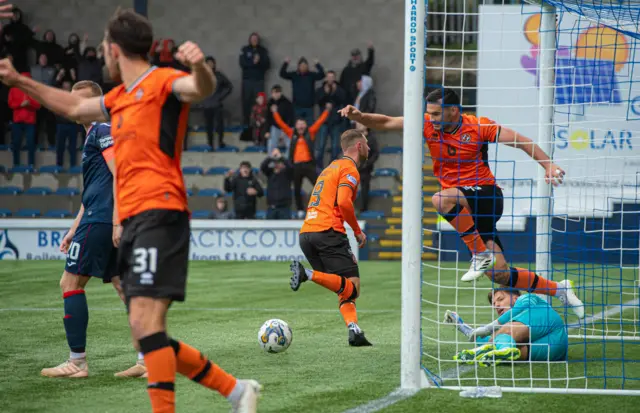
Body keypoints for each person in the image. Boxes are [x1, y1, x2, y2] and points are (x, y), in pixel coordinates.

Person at [0, 8, 261, 413]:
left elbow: (200, 88)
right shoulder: (117, 98)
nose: (102, 52)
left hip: (162, 211)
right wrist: (18, 80)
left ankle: (216, 395)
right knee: (146, 330)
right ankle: (235, 390)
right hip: (138, 219)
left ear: (114, 48)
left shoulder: (163, 80)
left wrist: (199, 67)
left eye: (104, 45)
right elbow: (71, 108)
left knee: (145, 326)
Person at [338, 88, 585, 318]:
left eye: (437, 113)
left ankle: (479, 254)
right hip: (467, 209)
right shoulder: (427, 124)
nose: (431, 118)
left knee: (440, 199)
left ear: (453, 110)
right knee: (498, 272)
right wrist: (360, 115)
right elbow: (386, 122)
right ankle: (559, 289)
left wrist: (548, 164)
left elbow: (520, 140)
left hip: (487, 195)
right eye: (429, 113)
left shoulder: (478, 126)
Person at [39, 80, 145, 379]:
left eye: (79, 99)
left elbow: (119, 174)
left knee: (69, 284)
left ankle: (77, 362)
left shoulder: (101, 130)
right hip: (99, 217)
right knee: (125, 288)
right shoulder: (95, 136)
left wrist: (116, 219)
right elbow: (94, 189)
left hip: (103, 220)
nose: (73, 105)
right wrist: (74, 227)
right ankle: (146, 361)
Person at [289, 129, 372, 346]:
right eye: (367, 143)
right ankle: (305, 273)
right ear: (359, 146)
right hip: (328, 231)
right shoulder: (349, 168)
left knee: (344, 287)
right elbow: (344, 202)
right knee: (353, 287)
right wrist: (357, 231)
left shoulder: (329, 168)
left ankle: (354, 330)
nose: (369, 148)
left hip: (308, 232)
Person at [446, 288, 568, 365]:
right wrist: (461, 325)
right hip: (552, 351)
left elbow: (521, 306)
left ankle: (499, 349)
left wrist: (489, 328)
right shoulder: (505, 327)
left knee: (501, 333)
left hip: (551, 325)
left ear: (515, 297)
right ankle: (503, 351)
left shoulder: (524, 298)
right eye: (494, 304)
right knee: (499, 341)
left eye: (500, 299)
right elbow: (483, 337)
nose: (496, 305)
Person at [271, 103, 330, 217]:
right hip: (296, 166)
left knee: (319, 185)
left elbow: (319, 122)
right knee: (297, 189)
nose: (301, 126)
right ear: (296, 126)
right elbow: (281, 124)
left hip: (308, 165)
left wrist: (326, 111)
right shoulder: (291, 133)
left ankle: (322, 206)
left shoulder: (311, 132)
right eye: (299, 124)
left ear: (306, 125)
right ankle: (300, 209)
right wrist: (275, 112)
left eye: (303, 124)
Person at [197, 56, 232, 149]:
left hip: (216, 104)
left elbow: (229, 86)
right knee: (208, 126)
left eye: (211, 63)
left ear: (214, 64)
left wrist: (220, 96)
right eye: (207, 63)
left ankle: (220, 142)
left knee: (219, 125)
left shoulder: (219, 75)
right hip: (206, 104)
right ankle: (210, 144)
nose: (209, 65)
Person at [315, 70, 348, 169]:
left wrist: (335, 91)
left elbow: (343, 99)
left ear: (334, 78)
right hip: (324, 121)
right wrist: (325, 93)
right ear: (326, 78)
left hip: (335, 122)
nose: (330, 79)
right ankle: (319, 166)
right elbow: (317, 100)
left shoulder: (339, 89)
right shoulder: (321, 89)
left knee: (335, 146)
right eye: (328, 77)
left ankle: (332, 166)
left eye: (332, 77)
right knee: (321, 146)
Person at [279, 57, 325, 125]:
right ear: (298, 66)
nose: (303, 67)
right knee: (298, 126)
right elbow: (282, 74)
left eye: (305, 66)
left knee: (310, 127)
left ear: (307, 66)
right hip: (297, 107)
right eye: (301, 66)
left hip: (309, 107)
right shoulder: (294, 75)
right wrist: (285, 63)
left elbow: (322, 75)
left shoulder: (311, 75)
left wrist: (317, 65)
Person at [8, 71, 39, 167]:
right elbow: (10, 103)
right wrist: (20, 104)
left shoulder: (33, 90)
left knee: (31, 144)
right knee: (16, 143)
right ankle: (16, 164)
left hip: (30, 121)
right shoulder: (13, 89)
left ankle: (31, 164)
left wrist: (30, 104)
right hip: (17, 121)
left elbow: (38, 105)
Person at [239, 32, 270, 125]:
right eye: (253, 39)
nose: (254, 41)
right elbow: (242, 64)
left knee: (260, 102)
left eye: (256, 39)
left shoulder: (263, 51)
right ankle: (246, 122)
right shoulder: (245, 50)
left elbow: (267, 65)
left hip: (259, 81)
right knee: (246, 101)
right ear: (250, 40)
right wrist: (253, 63)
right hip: (247, 80)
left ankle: (259, 122)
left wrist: (259, 62)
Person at [31, 53, 57, 147]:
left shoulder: (52, 70)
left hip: (48, 101)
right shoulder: (33, 69)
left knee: (50, 122)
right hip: (36, 100)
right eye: (41, 58)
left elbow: (53, 84)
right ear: (38, 59)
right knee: (36, 123)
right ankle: (35, 143)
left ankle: (51, 143)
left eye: (45, 58)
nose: (43, 59)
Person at [261, 148, 293, 220]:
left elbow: (291, 167)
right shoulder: (270, 173)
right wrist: (270, 157)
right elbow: (263, 167)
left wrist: (281, 157)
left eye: (279, 162)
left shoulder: (287, 173)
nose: (277, 164)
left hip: (284, 208)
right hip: (271, 208)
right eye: (276, 162)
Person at [354, 123, 379, 212]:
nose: (358, 125)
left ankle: (363, 208)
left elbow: (375, 153)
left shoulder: (371, 138)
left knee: (364, 187)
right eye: (357, 123)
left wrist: (367, 163)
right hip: (354, 166)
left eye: (360, 123)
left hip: (365, 168)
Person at [55, 80, 80, 167]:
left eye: (67, 87)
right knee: (60, 147)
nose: (66, 89)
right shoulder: (58, 99)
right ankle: (59, 165)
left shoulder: (74, 99)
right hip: (61, 125)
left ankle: (73, 165)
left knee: (72, 147)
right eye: (64, 87)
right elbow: (56, 111)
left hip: (72, 125)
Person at [266, 84, 293, 157]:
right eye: (274, 93)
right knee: (271, 144)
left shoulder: (287, 103)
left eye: (277, 92)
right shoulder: (270, 103)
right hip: (275, 127)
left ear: (280, 93)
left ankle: (288, 162)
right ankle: (271, 162)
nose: (276, 95)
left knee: (290, 145)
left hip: (286, 126)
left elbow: (290, 117)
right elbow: (268, 118)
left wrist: (285, 130)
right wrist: (267, 131)